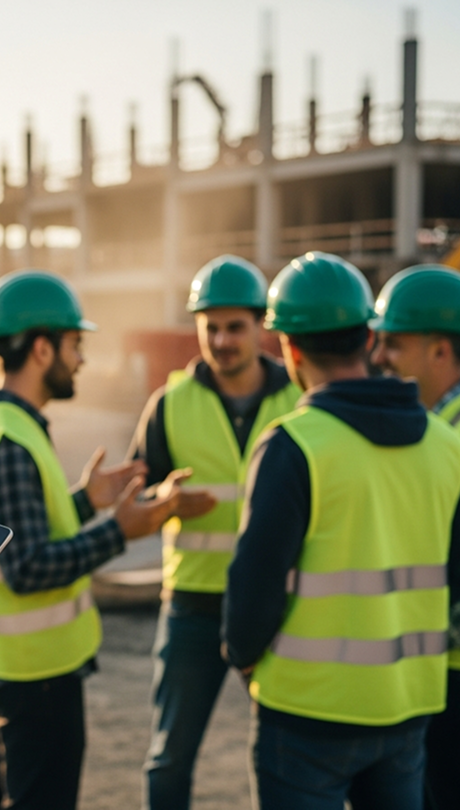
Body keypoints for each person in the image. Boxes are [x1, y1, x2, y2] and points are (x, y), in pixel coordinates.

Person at [222, 252, 460, 810]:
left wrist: (244, 656)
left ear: (291, 349)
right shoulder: (445, 444)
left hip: (307, 712)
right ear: (366, 339)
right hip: (407, 707)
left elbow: (252, 587)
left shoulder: (292, 444)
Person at [0, 269, 183, 810]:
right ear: (44, 349)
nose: (82, 359)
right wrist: (119, 531)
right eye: (77, 344)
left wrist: (84, 500)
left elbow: (13, 534)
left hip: (18, 668)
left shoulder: (6, 423)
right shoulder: (9, 440)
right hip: (33, 675)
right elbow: (27, 567)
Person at [128, 255, 301, 810]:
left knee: (285, 757)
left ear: (261, 327)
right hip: (193, 607)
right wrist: (164, 503)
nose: (222, 340)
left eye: (235, 326)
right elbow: (134, 503)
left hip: (282, 603)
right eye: (211, 327)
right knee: (170, 757)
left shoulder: (298, 400)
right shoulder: (169, 405)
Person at [370, 263, 460, 810]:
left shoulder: (447, 440)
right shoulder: (433, 429)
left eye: (394, 344)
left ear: (441, 352)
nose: (379, 357)